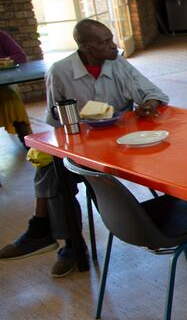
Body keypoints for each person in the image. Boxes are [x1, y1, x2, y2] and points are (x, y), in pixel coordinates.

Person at [0, 19, 169, 276]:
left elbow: (152, 92)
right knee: (55, 169)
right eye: (105, 42)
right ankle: (66, 242)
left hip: (122, 144)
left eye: (111, 39)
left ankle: (50, 235)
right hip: (82, 142)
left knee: (55, 175)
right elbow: (55, 120)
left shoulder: (118, 63)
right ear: (87, 47)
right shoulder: (60, 71)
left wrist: (150, 103)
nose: (114, 46)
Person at [0, 30, 32, 147]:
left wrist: (4, 61)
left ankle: (25, 136)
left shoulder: (1, 36)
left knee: (10, 96)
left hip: (4, 85)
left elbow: (20, 57)